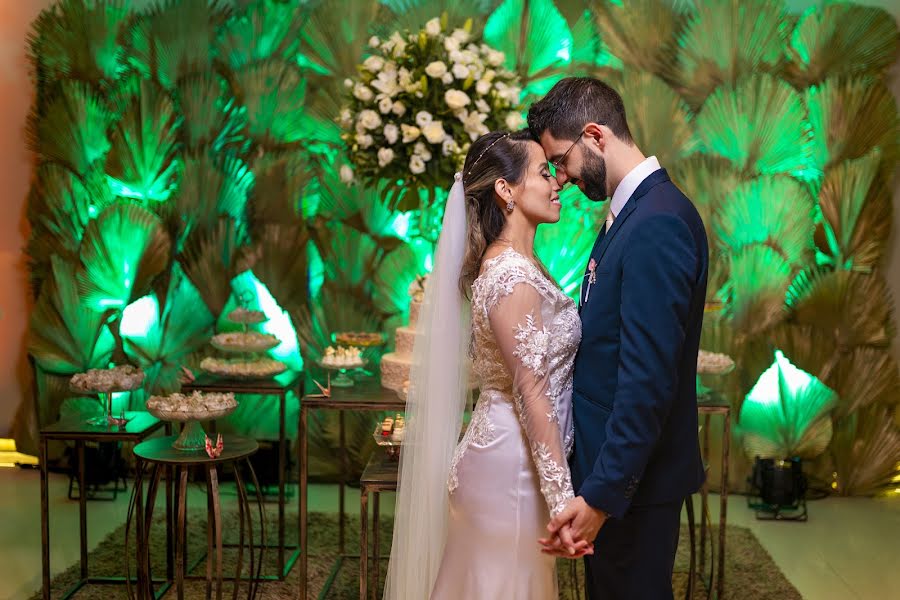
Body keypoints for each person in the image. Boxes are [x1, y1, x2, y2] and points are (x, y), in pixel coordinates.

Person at [383, 130, 589, 600]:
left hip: (515, 463)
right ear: (506, 190)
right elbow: (532, 391)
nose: (557, 182)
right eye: (543, 172)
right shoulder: (509, 275)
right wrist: (563, 503)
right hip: (508, 473)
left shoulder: (521, 262)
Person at [529, 77, 710, 600]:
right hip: (615, 473)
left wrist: (603, 496)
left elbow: (646, 382)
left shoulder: (658, 222)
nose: (560, 177)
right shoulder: (631, 214)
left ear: (594, 135)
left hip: (634, 484)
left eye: (560, 160)